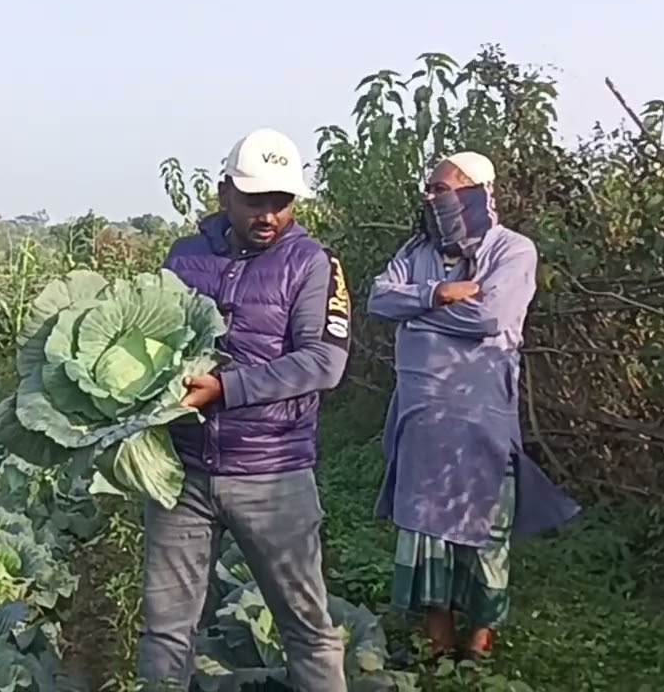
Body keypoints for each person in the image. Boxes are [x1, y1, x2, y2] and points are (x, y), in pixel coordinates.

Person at [140, 127, 352, 691]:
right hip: (181, 474)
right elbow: (150, 337)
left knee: (306, 626)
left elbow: (323, 363)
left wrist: (226, 388)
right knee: (166, 630)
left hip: (272, 472)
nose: (268, 214)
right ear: (224, 193)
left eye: (280, 202)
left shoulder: (313, 263)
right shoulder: (184, 256)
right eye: (256, 199)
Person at [368, 151, 581, 660]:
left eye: (440, 189)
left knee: (486, 526)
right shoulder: (418, 250)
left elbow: (490, 317)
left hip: (480, 410)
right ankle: (437, 644)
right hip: (422, 411)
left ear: (474, 191)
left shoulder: (513, 250)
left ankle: (480, 642)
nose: (430, 197)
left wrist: (416, 315)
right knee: (424, 529)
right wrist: (438, 293)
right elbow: (378, 298)